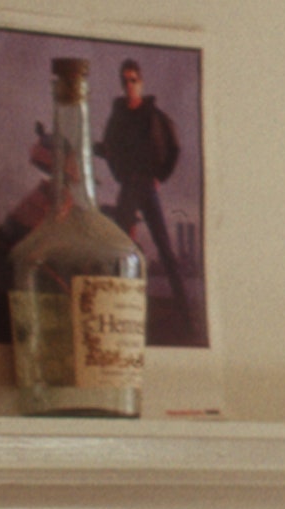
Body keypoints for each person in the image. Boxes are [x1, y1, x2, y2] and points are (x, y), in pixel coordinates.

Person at [96, 59, 186, 320]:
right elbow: (108, 147)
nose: (128, 85)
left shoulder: (154, 115)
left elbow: (175, 147)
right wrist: (86, 147)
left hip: (147, 184)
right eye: (124, 81)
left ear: (141, 83)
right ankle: (119, 303)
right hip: (128, 185)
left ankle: (183, 309)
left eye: (133, 80)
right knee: (121, 245)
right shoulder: (118, 116)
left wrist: (161, 176)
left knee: (164, 247)